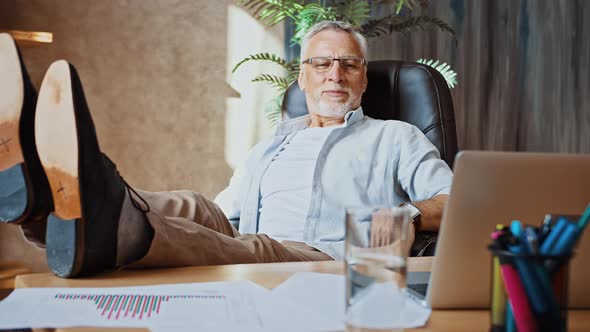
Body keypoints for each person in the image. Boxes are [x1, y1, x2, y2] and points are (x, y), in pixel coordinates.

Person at [0, 21, 452, 278]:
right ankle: (43, 202)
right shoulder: (272, 144)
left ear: (363, 78)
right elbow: (218, 217)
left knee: (251, 248)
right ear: (302, 76)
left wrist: (406, 215)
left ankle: (94, 211)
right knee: (192, 205)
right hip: (247, 237)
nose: (334, 73)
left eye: (348, 64)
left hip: (323, 259)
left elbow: (455, 202)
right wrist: (187, 219)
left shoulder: (395, 136)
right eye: (321, 62)